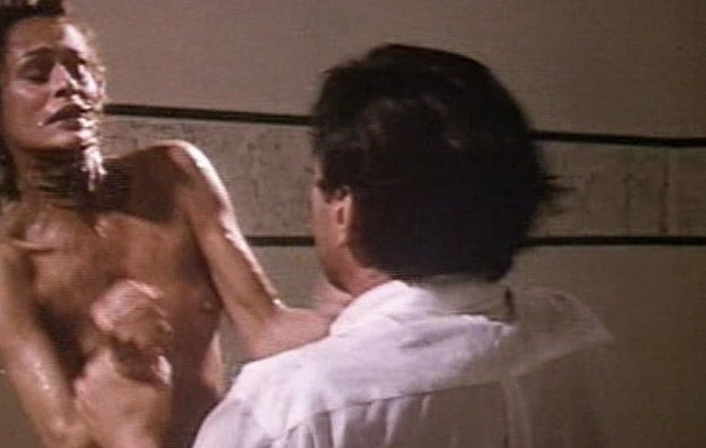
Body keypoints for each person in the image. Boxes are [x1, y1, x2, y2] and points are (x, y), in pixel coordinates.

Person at [74, 44, 616, 448]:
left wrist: (128, 435)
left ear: (344, 210)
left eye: (316, 182)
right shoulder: (569, 332)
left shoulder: (289, 407)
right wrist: (347, 330)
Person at [0, 0, 329, 448]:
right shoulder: (3, 271)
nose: (65, 85)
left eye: (78, 68)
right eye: (37, 73)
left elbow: (268, 329)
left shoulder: (177, 175)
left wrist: (374, 314)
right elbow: (66, 436)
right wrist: (121, 363)